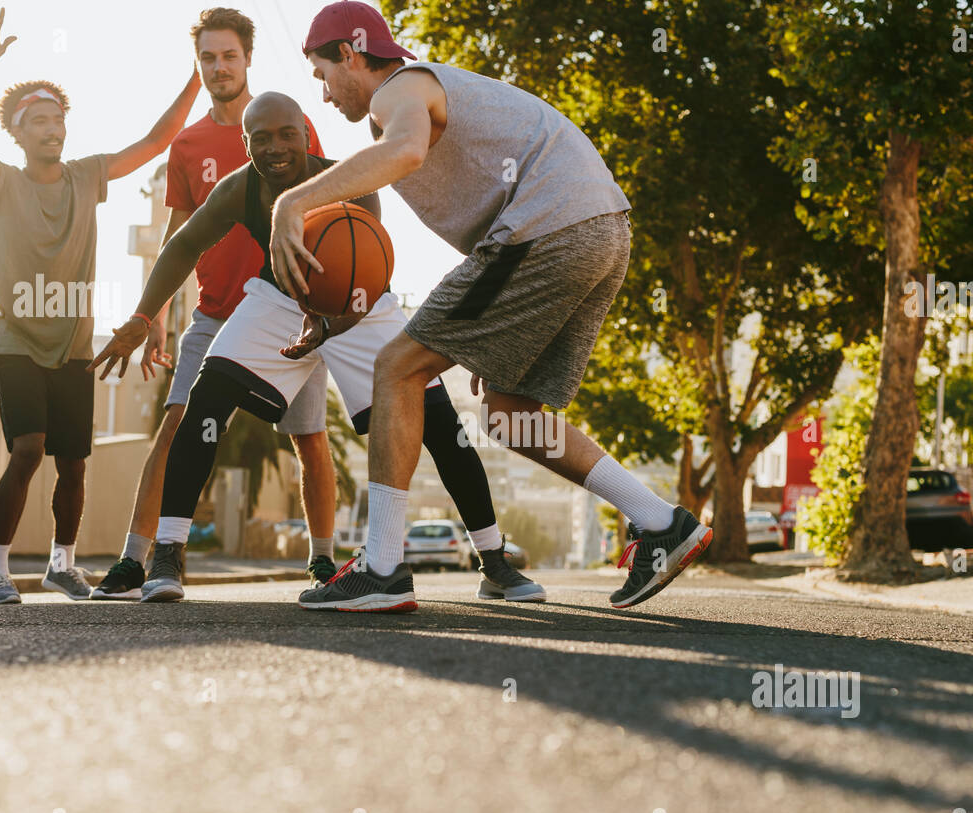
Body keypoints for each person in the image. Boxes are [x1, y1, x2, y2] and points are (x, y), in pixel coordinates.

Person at [270, 1, 712, 612]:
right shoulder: (420, 97)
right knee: (509, 413)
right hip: (600, 232)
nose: (323, 94)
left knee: (395, 367)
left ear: (350, 52)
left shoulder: (400, 89)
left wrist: (290, 204)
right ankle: (661, 522)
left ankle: (382, 567)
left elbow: (404, 152)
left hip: (545, 230)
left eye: (323, 74)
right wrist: (488, 332)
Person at [88, 92, 545, 608]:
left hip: (358, 301)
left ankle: (494, 560)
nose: (276, 147)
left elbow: (368, 272)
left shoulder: (351, 180)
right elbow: (182, 246)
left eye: (287, 134)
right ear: (246, 145)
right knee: (206, 398)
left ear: (307, 135)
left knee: (439, 420)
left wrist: (330, 323)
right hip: (278, 297)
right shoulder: (240, 190)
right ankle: (168, 553)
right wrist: (140, 317)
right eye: (260, 138)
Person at [88, 7, 340, 600]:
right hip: (213, 312)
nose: (219, 66)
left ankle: (324, 561)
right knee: (176, 427)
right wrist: (153, 318)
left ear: (248, 57)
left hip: (289, 311)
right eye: (207, 57)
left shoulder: (286, 125)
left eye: (229, 55)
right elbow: (180, 237)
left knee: (309, 438)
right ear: (197, 64)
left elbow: (325, 209)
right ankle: (140, 560)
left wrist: (324, 306)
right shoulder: (189, 144)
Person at [0, 4, 202, 604]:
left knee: (73, 463)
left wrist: (198, 75)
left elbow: (156, 141)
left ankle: (61, 565)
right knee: (28, 450)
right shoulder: (1, 183)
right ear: (18, 131)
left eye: (58, 118)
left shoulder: (87, 176)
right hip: (18, 343)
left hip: (72, 349)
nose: (52, 128)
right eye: (39, 120)